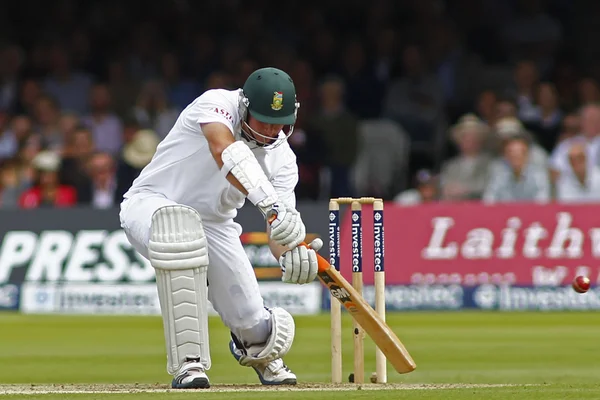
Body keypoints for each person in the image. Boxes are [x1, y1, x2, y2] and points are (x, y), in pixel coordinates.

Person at [119, 67, 322, 389]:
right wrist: (270, 206)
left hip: (215, 223)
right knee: (179, 231)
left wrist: (291, 251)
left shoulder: (283, 160)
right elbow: (224, 150)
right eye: (263, 119)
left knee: (252, 321)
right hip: (151, 204)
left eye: (278, 121)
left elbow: (279, 225)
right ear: (245, 108)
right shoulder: (217, 104)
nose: (271, 129)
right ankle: (189, 364)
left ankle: (258, 350)